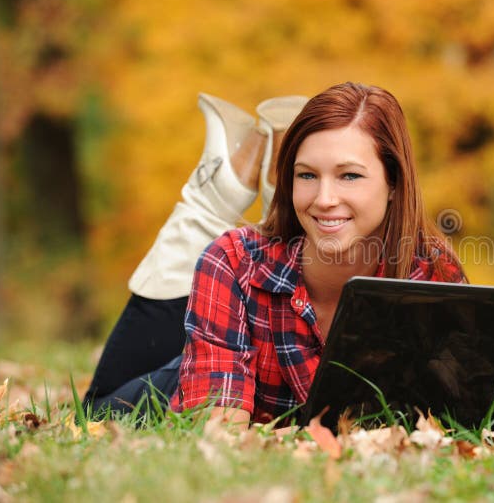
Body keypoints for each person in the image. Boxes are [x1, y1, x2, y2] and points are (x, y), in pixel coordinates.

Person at [84, 82, 466, 427]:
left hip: (260, 311)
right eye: (306, 175)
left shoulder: (434, 274)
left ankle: (266, 192)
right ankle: (216, 194)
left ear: (394, 184)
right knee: (96, 410)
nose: (325, 198)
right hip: (187, 376)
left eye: (350, 175)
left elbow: (464, 407)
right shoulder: (233, 261)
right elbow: (222, 430)